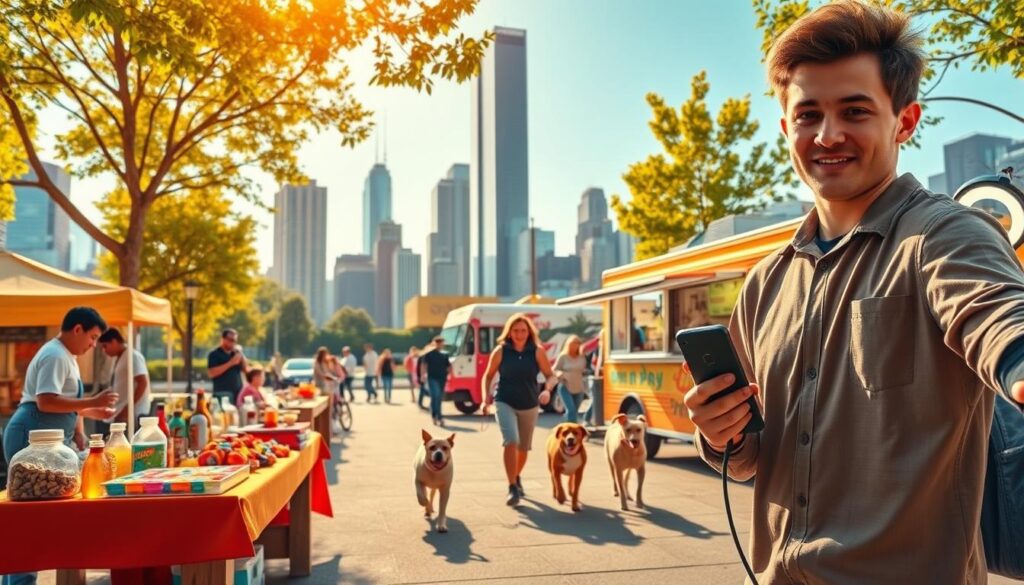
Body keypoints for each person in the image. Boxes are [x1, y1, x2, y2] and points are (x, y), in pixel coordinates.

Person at [683, 3, 1024, 583]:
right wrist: (720, 435)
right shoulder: (765, 283)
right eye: (809, 113)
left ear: (905, 121)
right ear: (786, 128)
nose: (829, 134)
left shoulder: (945, 234)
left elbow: (998, 316)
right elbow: (746, 460)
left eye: (855, 111)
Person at [2, 307, 118, 585]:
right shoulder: (55, 355)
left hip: (48, 437)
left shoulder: (68, 356)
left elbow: (63, 405)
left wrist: (84, 420)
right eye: (92, 337)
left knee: (35, 518)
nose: (93, 345)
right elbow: (45, 401)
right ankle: (20, 581)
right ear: (77, 329)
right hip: (30, 434)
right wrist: (92, 402)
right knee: (29, 518)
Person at [481, 313, 557, 506]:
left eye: (523, 330)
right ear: (509, 332)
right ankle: (512, 487)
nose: (520, 334)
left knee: (523, 448)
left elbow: (550, 375)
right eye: (516, 330)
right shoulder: (501, 351)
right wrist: (485, 399)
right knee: (511, 441)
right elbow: (488, 376)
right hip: (504, 401)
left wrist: (548, 390)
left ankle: (516, 476)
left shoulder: (537, 351)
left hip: (530, 404)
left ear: (529, 332)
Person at [97, 328, 151, 434]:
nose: (104, 350)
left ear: (114, 341)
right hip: (120, 412)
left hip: (133, 414)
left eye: (105, 346)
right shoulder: (119, 357)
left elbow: (142, 382)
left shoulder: (133, 356)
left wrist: (128, 409)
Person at [207, 329, 248, 404]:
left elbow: (246, 370)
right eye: (231, 340)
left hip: (238, 393)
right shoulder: (214, 354)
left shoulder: (236, 353)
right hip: (222, 393)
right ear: (223, 339)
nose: (233, 343)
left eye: (235, 341)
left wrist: (241, 355)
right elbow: (211, 373)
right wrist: (231, 363)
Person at [419, 336, 452, 427]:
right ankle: (438, 417)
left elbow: (448, 366)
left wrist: (450, 374)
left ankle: (435, 415)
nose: (439, 344)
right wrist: (422, 375)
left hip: (442, 378)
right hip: (432, 378)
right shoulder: (429, 353)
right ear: (434, 343)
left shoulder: (445, 354)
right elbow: (424, 365)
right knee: (436, 395)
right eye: (437, 342)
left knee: (438, 398)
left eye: (441, 342)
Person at [553, 335, 587, 423]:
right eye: (573, 344)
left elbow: (584, 370)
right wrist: (559, 373)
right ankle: (572, 430)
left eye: (577, 344)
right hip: (565, 386)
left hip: (579, 387)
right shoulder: (563, 356)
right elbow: (554, 369)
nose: (576, 346)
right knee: (571, 410)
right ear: (569, 345)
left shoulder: (582, 356)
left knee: (574, 411)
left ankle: (568, 427)